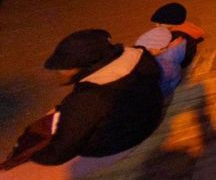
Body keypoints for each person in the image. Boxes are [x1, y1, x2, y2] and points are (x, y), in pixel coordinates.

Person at [1, 30, 163, 178]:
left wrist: (35, 154)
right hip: (150, 117)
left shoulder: (87, 99)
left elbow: (59, 153)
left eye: (63, 68)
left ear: (80, 67)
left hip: (120, 140)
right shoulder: (140, 56)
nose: (59, 73)